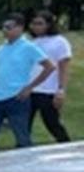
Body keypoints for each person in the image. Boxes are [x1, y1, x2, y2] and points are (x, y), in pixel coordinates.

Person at [0, 12, 55, 155]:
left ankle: (27, 167)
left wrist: (30, 87)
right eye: (3, 27)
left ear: (20, 28)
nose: (5, 30)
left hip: (16, 99)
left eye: (9, 27)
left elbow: (49, 66)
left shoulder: (28, 47)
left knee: (22, 138)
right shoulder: (0, 49)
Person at [26, 9, 72, 143]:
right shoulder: (32, 42)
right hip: (30, 89)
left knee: (52, 123)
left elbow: (63, 67)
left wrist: (61, 89)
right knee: (23, 124)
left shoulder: (59, 42)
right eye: (34, 24)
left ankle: (66, 145)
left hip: (48, 90)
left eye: (40, 24)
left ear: (49, 25)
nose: (36, 27)